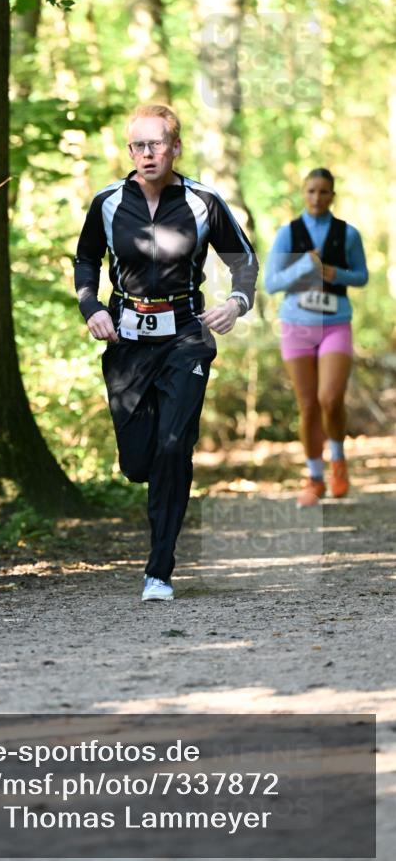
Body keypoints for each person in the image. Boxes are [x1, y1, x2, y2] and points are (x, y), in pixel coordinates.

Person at [74, 104, 259, 602]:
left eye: (157, 144)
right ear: (129, 151)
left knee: (174, 446)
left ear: (175, 147)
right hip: (127, 341)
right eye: (138, 145)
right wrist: (91, 306)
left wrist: (237, 303)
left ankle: (159, 570)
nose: (147, 153)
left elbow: (244, 260)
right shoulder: (109, 202)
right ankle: (158, 481)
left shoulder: (203, 201)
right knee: (140, 462)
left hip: (185, 337)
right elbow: (86, 257)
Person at [264, 168, 368, 506]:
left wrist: (339, 274)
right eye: (311, 191)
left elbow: (362, 276)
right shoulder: (288, 234)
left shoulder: (347, 234)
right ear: (303, 193)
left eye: (324, 192)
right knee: (308, 406)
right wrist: (303, 267)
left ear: (332, 196)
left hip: (335, 323)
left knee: (330, 398)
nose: (317, 197)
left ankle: (337, 459)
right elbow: (271, 283)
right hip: (296, 326)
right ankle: (314, 477)